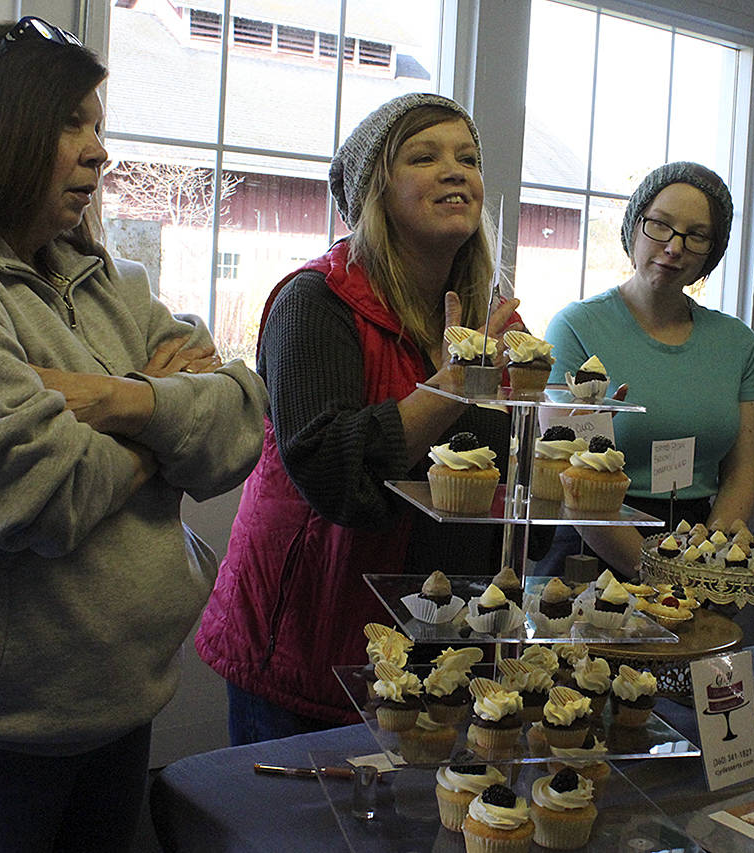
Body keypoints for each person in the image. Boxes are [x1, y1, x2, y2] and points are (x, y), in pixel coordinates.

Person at [0, 19, 268, 851]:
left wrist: (113, 401)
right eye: (71, 122)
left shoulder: (109, 276)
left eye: (98, 124)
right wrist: (163, 415)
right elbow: (29, 489)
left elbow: (242, 417)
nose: (99, 152)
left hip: (119, 715)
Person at [196, 93, 523, 743]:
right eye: (424, 156)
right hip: (314, 653)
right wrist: (453, 387)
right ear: (374, 192)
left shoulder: (495, 321)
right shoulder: (314, 301)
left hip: (442, 655)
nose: (456, 170)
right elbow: (332, 465)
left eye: (468, 157)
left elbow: (508, 479)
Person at [541, 162, 754, 576]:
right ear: (634, 227)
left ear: (711, 250)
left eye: (696, 235)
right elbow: (570, 477)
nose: (674, 247)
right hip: (593, 550)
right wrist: (662, 575)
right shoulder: (576, 327)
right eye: (660, 225)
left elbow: (742, 472)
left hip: (701, 546)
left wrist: (708, 564)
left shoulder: (737, 343)